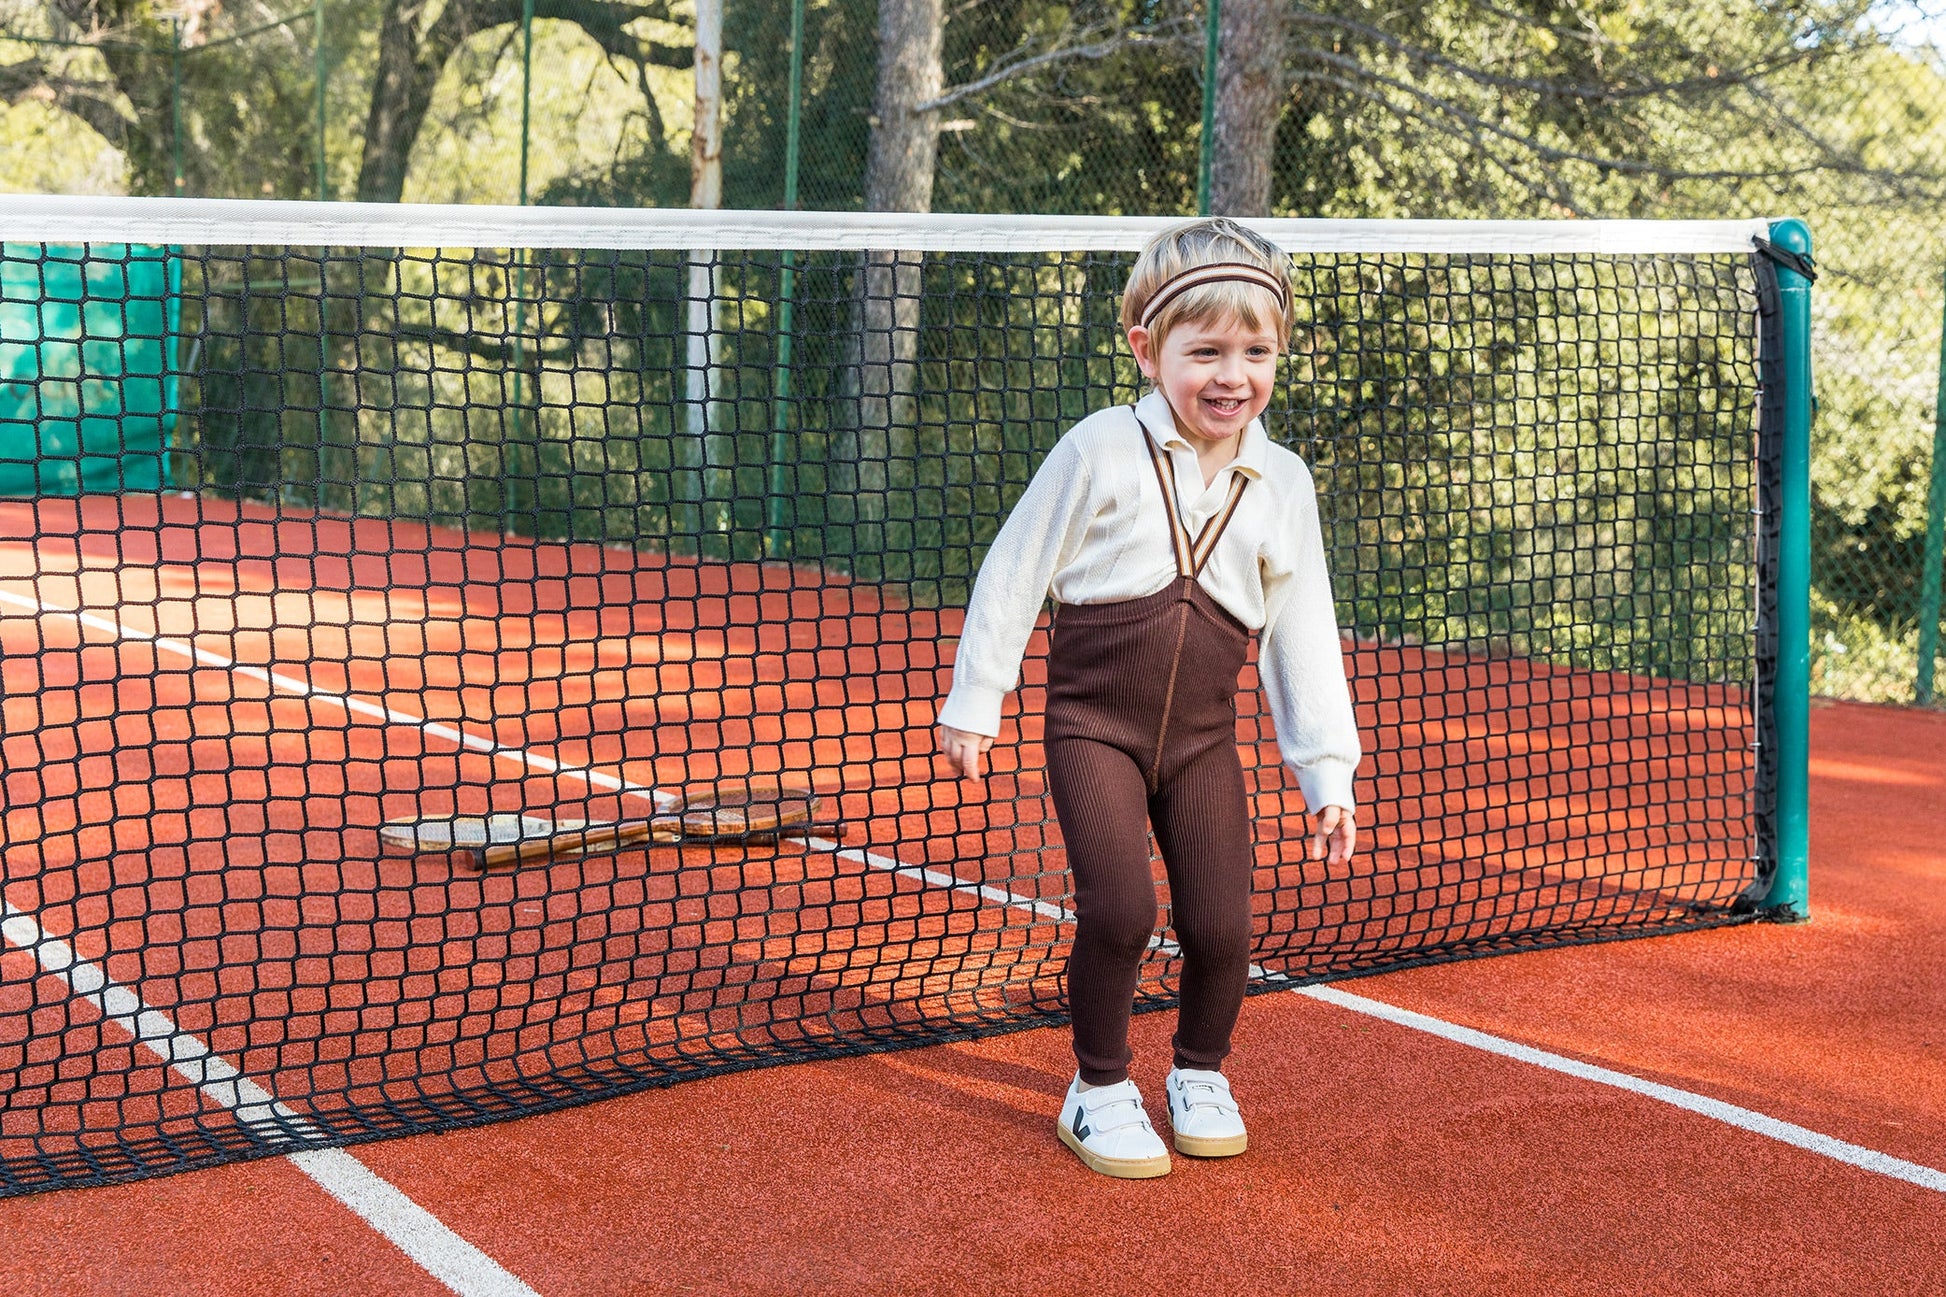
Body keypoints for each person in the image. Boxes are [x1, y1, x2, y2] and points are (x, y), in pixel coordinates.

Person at [933, 217, 1362, 1180]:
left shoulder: (1284, 481)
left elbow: (1302, 628)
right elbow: (1014, 570)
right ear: (1146, 348)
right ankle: (1098, 1087)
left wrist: (1326, 769)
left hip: (1204, 742)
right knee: (1121, 909)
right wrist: (976, 697)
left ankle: (1199, 1073)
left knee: (1223, 926)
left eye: (1256, 351)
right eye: (1204, 349)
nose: (1230, 374)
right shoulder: (1097, 449)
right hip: (1095, 726)